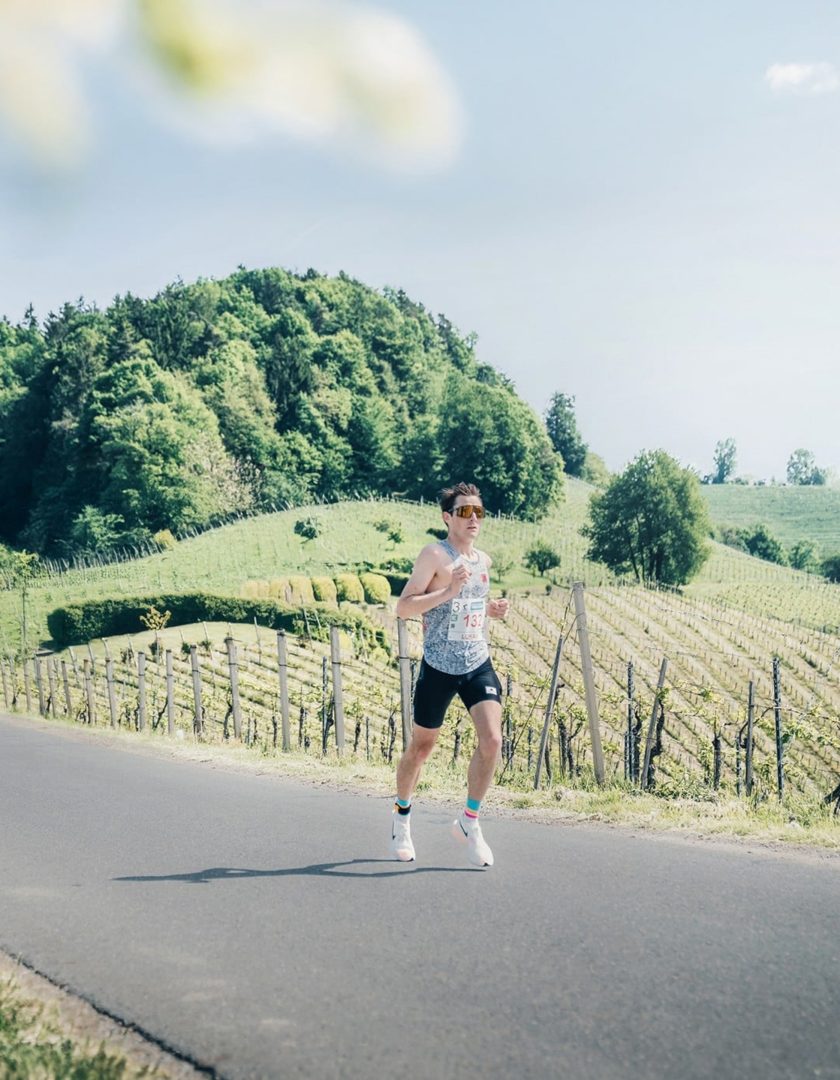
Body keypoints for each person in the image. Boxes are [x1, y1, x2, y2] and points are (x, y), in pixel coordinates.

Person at [391, 482, 509, 868]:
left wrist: (489, 610)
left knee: (493, 739)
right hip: (439, 666)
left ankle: (469, 821)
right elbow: (403, 608)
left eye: (479, 512)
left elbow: (469, 605)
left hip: (476, 661)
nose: (473, 518)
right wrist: (447, 591)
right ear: (447, 517)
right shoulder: (434, 555)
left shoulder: (484, 561)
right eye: (464, 511)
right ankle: (402, 818)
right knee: (421, 748)